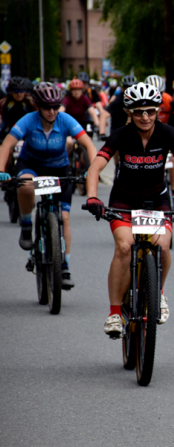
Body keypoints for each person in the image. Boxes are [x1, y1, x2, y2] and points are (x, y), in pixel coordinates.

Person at [83, 82, 174, 335]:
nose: (145, 116)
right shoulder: (120, 135)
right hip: (124, 200)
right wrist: (93, 197)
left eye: (151, 111)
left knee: (161, 246)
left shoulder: (168, 133)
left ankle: (158, 294)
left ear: (158, 112)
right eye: (139, 111)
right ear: (129, 112)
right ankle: (115, 314)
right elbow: (95, 168)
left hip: (157, 199)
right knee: (124, 246)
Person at [0, 82, 97, 289]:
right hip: (31, 165)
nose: (52, 111)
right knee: (25, 186)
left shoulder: (65, 120)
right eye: (47, 107)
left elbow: (88, 145)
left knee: (64, 217)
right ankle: (26, 225)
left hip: (58, 169)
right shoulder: (28, 120)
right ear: (38, 106)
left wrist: (93, 169)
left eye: (55, 106)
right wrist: (2, 170)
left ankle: (64, 266)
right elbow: (7, 144)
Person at [144, 75, 174, 203]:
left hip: (163, 134)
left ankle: (173, 193)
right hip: (145, 136)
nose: (156, 98)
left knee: (172, 160)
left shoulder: (168, 100)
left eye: (159, 94)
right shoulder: (141, 102)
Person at [98, 75, 137, 171]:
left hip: (133, 130)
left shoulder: (138, 100)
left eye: (132, 88)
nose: (129, 91)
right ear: (122, 88)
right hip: (117, 129)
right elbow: (104, 115)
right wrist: (102, 133)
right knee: (117, 148)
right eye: (127, 88)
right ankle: (117, 166)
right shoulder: (118, 100)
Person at [0, 77, 37, 172]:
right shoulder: (4, 102)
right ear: (10, 91)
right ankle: (4, 175)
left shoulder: (31, 101)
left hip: (27, 133)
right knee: (6, 152)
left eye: (21, 91)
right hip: (8, 133)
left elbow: (37, 117)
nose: (19, 94)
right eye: (16, 91)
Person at [60, 78, 99, 156]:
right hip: (68, 126)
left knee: (87, 143)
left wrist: (97, 123)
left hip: (81, 125)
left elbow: (92, 111)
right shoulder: (67, 99)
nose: (77, 92)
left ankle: (84, 160)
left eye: (79, 90)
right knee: (69, 142)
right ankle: (64, 160)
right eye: (74, 90)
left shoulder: (84, 98)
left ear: (82, 90)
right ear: (71, 91)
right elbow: (61, 110)